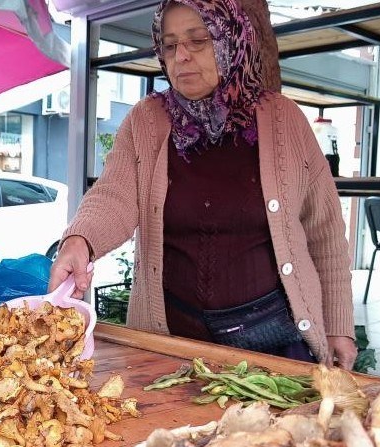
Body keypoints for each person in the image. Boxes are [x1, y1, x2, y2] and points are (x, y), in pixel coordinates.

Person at [48, 0, 357, 369]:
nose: (181, 56)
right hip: (173, 340)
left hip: (273, 337)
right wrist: (80, 240)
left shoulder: (284, 118)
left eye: (198, 41)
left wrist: (339, 326)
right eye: (170, 44)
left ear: (231, 41)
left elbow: (324, 228)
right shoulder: (146, 121)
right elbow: (114, 195)